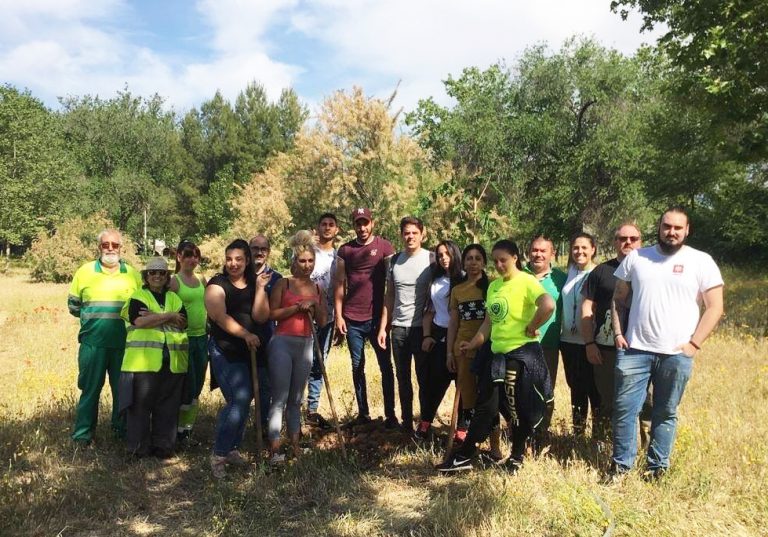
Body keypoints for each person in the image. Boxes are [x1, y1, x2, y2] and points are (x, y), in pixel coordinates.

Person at [610, 207, 723, 478]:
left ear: (687, 230)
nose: (671, 232)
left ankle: (656, 468)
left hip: (676, 353)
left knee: (665, 412)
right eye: (666, 226)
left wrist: (693, 345)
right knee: (625, 411)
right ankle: (621, 467)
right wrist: (617, 333)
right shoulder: (637, 257)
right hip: (634, 350)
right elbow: (618, 298)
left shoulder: (701, 261)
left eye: (677, 228)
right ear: (659, 228)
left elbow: (715, 307)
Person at [437, 240, 555, 473]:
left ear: (515, 258)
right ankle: (465, 456)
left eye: (504, 260)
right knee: (487, 406)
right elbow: (488, 324)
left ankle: (516, 457)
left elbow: (548, 304)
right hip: (497, 354)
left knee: (517, 409)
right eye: (496, 260)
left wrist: (533, 325)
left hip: (521, 355)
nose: (499, 265)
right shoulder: (494, 287)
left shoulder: (526, 281)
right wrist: (472, 344)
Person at [67, 229, 141, 446]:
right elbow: (73, 306)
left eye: (115, 245)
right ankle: (82, 436)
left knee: (123, 392)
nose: (110, 248)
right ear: (99, 247)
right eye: (105, 244)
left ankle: (121, 431)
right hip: (93, 344)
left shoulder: (133, 274)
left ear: (121, 247)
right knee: (90, 391)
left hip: (124, 345)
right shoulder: (84, 272)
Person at [207, 239, 271, 478]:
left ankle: (233, 448)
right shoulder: (216, 284)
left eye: (239, 259)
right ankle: (219, 454)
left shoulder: (255, 283)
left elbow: (261, 317)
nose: (233, 264)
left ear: (247, 261)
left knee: (251, 397)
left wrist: (262, 289)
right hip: (225, 349)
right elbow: (219, 316)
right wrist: (245, 334)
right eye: (229, 259)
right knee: (238, 399)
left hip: (251, 349)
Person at [267, 231, 328, 462]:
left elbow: (322, 321)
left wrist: (313, 303)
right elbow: (271, 314)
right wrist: (295, 308)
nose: (306, 265)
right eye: (302, 261)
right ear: (294, 261)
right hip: (282, 342)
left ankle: (294, 446)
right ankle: (274, 448)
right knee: (280, 398)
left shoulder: (317, 288)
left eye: (310, 261)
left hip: (305, 343)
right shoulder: (283, 283)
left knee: (296, 399)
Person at [119, 257, 188, 459]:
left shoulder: (175, 298)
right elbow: (140, 321)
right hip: (143, 362)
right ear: (146, 276)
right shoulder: (138, 297)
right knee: (140, 407)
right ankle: (138, 449)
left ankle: (163, 447)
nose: (157, 276)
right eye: (152, 273)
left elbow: (184, 322)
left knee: (168, 406)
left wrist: (155, 317)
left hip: (172, 361)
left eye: (161, 273)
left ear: (167, 277)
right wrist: (169, 316)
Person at [334, 208, 397, 428]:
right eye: (358, 223)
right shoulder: (345, 251)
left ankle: (391, 415)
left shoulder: (385, 247)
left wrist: (387, 319)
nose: (362, 228)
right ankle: (363, 413)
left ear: (373, 223)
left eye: (365, 223)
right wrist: (339, 316)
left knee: (385, 367)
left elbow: (393, 283)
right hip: (352, 318)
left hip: (377, 319)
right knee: (357, 365)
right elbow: (339, 284)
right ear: (353, 225)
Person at [580, 223, 643, 437]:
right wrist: (589, 343)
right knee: (605, 400)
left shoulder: (649, 270)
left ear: (640, 241)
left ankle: (641, 448)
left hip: (640, 348)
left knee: (642, 402)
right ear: (615, 242)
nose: (628, 242)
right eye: (622, 238)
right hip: (605, 348)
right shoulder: (601, 271)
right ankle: (601, 447)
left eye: (633, 238)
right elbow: (587, 307)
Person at [377, 216, 433, 434]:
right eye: (406, 233)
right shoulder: (394, 261)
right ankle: (407, 423)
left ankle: (425, 423)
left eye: (414, 233)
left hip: (422, 329)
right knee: (403, 378)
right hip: (398, 328)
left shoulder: (431, 259)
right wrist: (384, 327)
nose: (410, 237)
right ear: (401, 235)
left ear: (422, 234)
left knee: (424, 378)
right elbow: (389, 296)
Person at [446, 244, 501, 457]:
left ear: (484, 263)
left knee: (489, 400)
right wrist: (449, 352)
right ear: (464, 262)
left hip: (488, 349)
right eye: (469, 258)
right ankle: (471, 447)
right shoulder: (457, 290)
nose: (473, 262)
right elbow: (453, 323)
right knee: (468, 400)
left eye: (478, 258)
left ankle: (495, 448)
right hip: (462, 350)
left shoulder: (493, 287)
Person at [414, 240, 462, 440]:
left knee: (464, 386)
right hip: (439, 335)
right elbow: (429, 310)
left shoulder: (465, 279)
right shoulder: (436, 280)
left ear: (455, 255)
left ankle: (462, 429)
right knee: (433, 383)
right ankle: (425, 423)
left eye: (447, 254)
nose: (444, 258)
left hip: (461, 338)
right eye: (440, 254)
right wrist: (427, 335)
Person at [524, 236, 566, 433]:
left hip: (548, 345)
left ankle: (541, 432)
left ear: (553, 253)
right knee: (520, 390)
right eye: (534, 250)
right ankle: (521, 431)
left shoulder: (561, 279)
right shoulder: (518, 275)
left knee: (544, 390)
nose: (538, 254)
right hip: (519, 344)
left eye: (543, 251)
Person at [559, 233, 600, 435]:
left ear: (593, 249)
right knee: (576, 387)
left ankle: (599, 435)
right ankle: (578, 432)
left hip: (591, 341)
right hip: (567, 340)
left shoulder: (598, 273)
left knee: (594, 389)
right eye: (576, 248)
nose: (579, 252)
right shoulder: (569, 272)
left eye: (584, 248)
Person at [169, 240, 208, 446]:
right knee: (186, 385)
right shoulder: (174, 282)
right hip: (183, 339)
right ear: (179, 257)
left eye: (196, 256)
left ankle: (188, 429)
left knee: (198, 386)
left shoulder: (202, 279)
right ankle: (177, 430)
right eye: (188, 255)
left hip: (202, 338)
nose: (192, 259)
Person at [306, 213, 339, 429]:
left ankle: (312, 409)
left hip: (328, 316)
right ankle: (295, 406)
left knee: (319, 362)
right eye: (323, 224)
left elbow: (341, 288)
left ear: (336, 230)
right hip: (305, 316)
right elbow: (294, 273)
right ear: (317, 228)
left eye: (331, 225)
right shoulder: (308, 252)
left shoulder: (338, 257)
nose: (327, 228)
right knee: (302, 361)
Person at [248, 234, 283, 429]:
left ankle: (260, 427)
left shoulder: (276, 278)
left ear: (268, 252)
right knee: (242, 389)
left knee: (264, 386)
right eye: (255, 248)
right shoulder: (240, 275)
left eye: (263, 249)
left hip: (267, 338)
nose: (259, 252)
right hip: (241, 337)